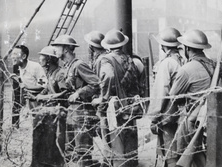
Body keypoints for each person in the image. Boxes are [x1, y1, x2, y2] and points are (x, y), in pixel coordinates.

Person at [51, 35, 101, 167]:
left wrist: (79, 93)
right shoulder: (68, 66)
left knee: (82, 152)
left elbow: (96, 83)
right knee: (70, 151)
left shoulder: (79, 65)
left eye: (57, 46)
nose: (54, 49)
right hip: (72, 113)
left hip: (83, 113)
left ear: (66, 49)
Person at [96, 29, 143, 167]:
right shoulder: (131, 59)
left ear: (108, 46)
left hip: (115, 108)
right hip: (131, 107)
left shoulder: (106, 59)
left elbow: (108, 76)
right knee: (129, 141)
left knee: (116, 142)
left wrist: (103, 99)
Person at [168, 29, 215, 167]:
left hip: (192, 118)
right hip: (209, 116)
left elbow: (173, 96)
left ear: (188, 48)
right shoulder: (212, 65)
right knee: (200, 152)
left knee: (191, 152)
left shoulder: (187, 69)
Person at [148, 27, 183, 167]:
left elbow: (161, 91)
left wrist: (154, 117)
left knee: (170, 151)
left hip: (168, 113)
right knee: (178, 147)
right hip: (181, 111)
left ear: (164, 46)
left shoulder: (167, 63)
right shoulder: (182, 59)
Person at [30, 46, 67, 167]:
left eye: (42, 57)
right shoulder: (48, 73)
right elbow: (45, 88)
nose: (40, 59)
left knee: (53, 144)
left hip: (58, 114)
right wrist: (36, 96)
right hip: (48, 113)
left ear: (49, 59)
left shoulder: (60, 74)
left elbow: (65, 93)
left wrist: (45, 98)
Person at [10, 45, 47, 127]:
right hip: (29, 99)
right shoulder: (18, 67)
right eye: (12, 54)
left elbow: (43, 85)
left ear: (23, 56)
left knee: (39, 124)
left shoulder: (35, 67)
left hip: (39, 100)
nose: (12, 57)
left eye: (15, 54)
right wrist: (18, 79)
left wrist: (25, 86)